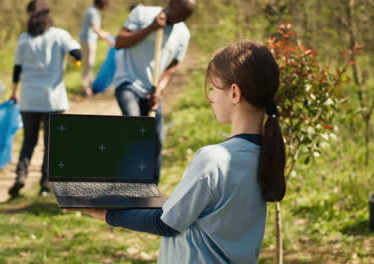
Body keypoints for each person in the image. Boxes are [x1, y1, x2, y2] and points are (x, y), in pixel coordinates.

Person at [68, 41, 287, 263]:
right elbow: (195, 210)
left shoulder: (213, 159)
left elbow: (166, 223)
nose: (209, 96)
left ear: (234, 93)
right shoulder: (266, 154)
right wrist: (127, 199)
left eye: (212, 87)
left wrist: (104, 213)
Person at [112, 0, 195, 184]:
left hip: (152, 89)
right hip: (128, 82)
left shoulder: (183, 33)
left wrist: (159, 91)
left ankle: (150, 188)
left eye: (185, 17)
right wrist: (151, 27)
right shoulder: (141, 14)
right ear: (171, 3)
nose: (179, 19)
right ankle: (127, 182)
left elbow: (172, 67)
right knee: (134, 126)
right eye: (178, 13)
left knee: (156, 138)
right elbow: (119, 42)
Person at [8, 0, 82, 198]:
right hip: (53, 100)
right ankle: (45, 185)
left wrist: (14, 91)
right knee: (52, 144)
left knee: (29, 141)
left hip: (29, 99)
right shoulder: (59, 35)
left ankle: (21, 176)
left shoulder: (24, 39)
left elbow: (17, 69)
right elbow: (78, 54)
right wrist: (73, 59)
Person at [80, 0, 113, 97]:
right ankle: (86, 88)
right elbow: (96, 29)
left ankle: (88, 86)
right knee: (89, 64)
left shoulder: (90, 10)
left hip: (86, 40)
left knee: (88, 63)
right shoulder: (93, 12)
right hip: (88, 41)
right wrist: (107, 37)